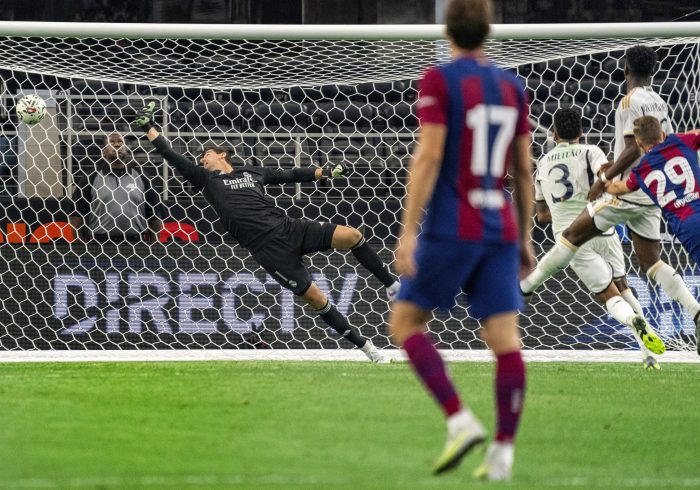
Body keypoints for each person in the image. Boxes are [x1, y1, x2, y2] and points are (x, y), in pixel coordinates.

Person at [132, 102, 399, 363]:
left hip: (288, 228)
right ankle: (368, 349)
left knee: (352, 235)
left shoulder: (253, 172)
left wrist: (325, 171)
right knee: (317, 299)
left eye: (206, 155)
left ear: (222, 154)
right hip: (269, 250)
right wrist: (150, 128)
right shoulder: (206, 180)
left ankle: (391, 285)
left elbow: (291, 174)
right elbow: (171, 155)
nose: (202, 159)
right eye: (201, 158)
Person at [389, 0, 534, 480]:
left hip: (454, 226)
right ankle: (503, 454)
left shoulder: (439, 80)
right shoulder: (513, 87)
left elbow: (429, 156)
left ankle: (459, 418)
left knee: (406, 324)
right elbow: (523, 167)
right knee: (504, 340)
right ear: (488, 31)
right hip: (500, 229)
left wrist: (408, 230)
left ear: (446, 30)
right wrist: (527, 236)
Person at [520, 45, 700, 335]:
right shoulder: (659, 101)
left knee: (570, 235)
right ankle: (695, 310)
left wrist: (605, 180)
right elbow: (657, 145)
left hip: (627, 190)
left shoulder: (629, 101)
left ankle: (526, 287)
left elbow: (632, 148)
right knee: (650, 263)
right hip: (652, 191)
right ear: (652, 71)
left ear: (626, 69)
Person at [535, 108, 663, 368]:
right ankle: (648, 356)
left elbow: (541, 216)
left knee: (608, 295)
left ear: (554, 133)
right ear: (582, 132)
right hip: (601, 225)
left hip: (571, 238)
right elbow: (605, 175)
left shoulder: (543, 162)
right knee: (624, 287)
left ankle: (631, 321)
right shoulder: (591, 151)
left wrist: (560, 204)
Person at [605, 116, 700, 354]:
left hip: (687, 225)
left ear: (638, 142)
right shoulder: (681, 140)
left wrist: (604, 176)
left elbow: (618, 188)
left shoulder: (641, 169)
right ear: (662, 133)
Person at [70, 132, 163, 242]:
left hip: (136, 242)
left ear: (127, 150)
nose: (117, 145)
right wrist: (78, 244)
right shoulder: (91, 176)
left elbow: (154, 213)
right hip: (100, 243)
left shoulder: (141, 175)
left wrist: (155, 245)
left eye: (120, 142)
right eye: (111, 142)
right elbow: (77, 214)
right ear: (104, 151)